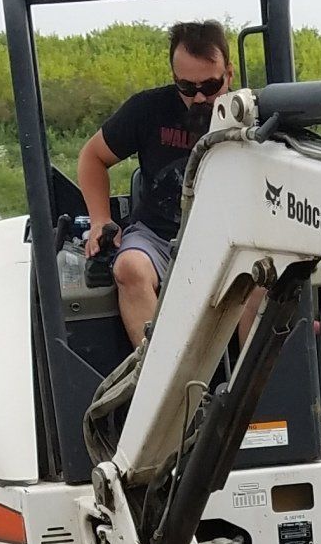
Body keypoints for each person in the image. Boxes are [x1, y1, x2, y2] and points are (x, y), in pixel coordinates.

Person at [76, 19, 232, 346]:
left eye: (210, 86)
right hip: (158, 236)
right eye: (187, 88)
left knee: (268, 282)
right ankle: (159, 387)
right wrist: (100, 220)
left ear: (228, 74)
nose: (200, 98)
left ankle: (258, 392)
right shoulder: (148, 110)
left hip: (230, 237)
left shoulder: (252, 116)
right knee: (130, 267)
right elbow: (92, 158)